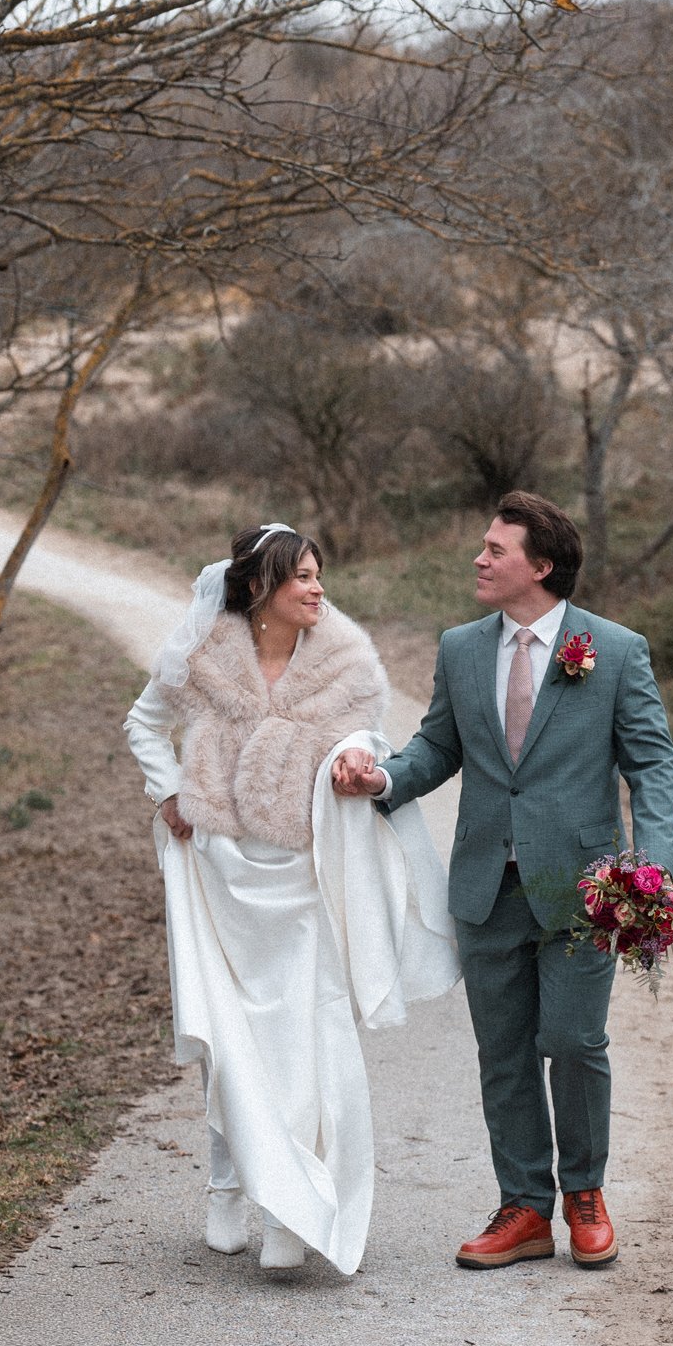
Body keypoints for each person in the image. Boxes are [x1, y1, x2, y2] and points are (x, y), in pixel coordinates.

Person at [332, 491, 673, 1271]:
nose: (479, 560)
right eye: (483, 547)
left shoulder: (615, 650)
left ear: (541, 566)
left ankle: (583, 1193)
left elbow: (652, 763)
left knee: (572, 1039)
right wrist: (380, 781)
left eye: (495, 549)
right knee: (504, 1052)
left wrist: (649, 871)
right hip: (487, 884)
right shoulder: (460, 647)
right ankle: (523, 1209)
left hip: (586, 891)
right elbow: (435, 749)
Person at [124, 523, 455, 1275]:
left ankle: (294, 1208)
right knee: (230, 1038)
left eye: (318, 576)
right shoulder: (202, 655)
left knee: (304, 1043)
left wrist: (353, 759)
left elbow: (363, 733)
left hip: (302, 881)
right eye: (301, 576)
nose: (316, 589)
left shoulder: (343, 662)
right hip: (218, 876)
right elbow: (143, 724)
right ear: (257, 589)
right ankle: (227, 1187)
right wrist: (170, 790)